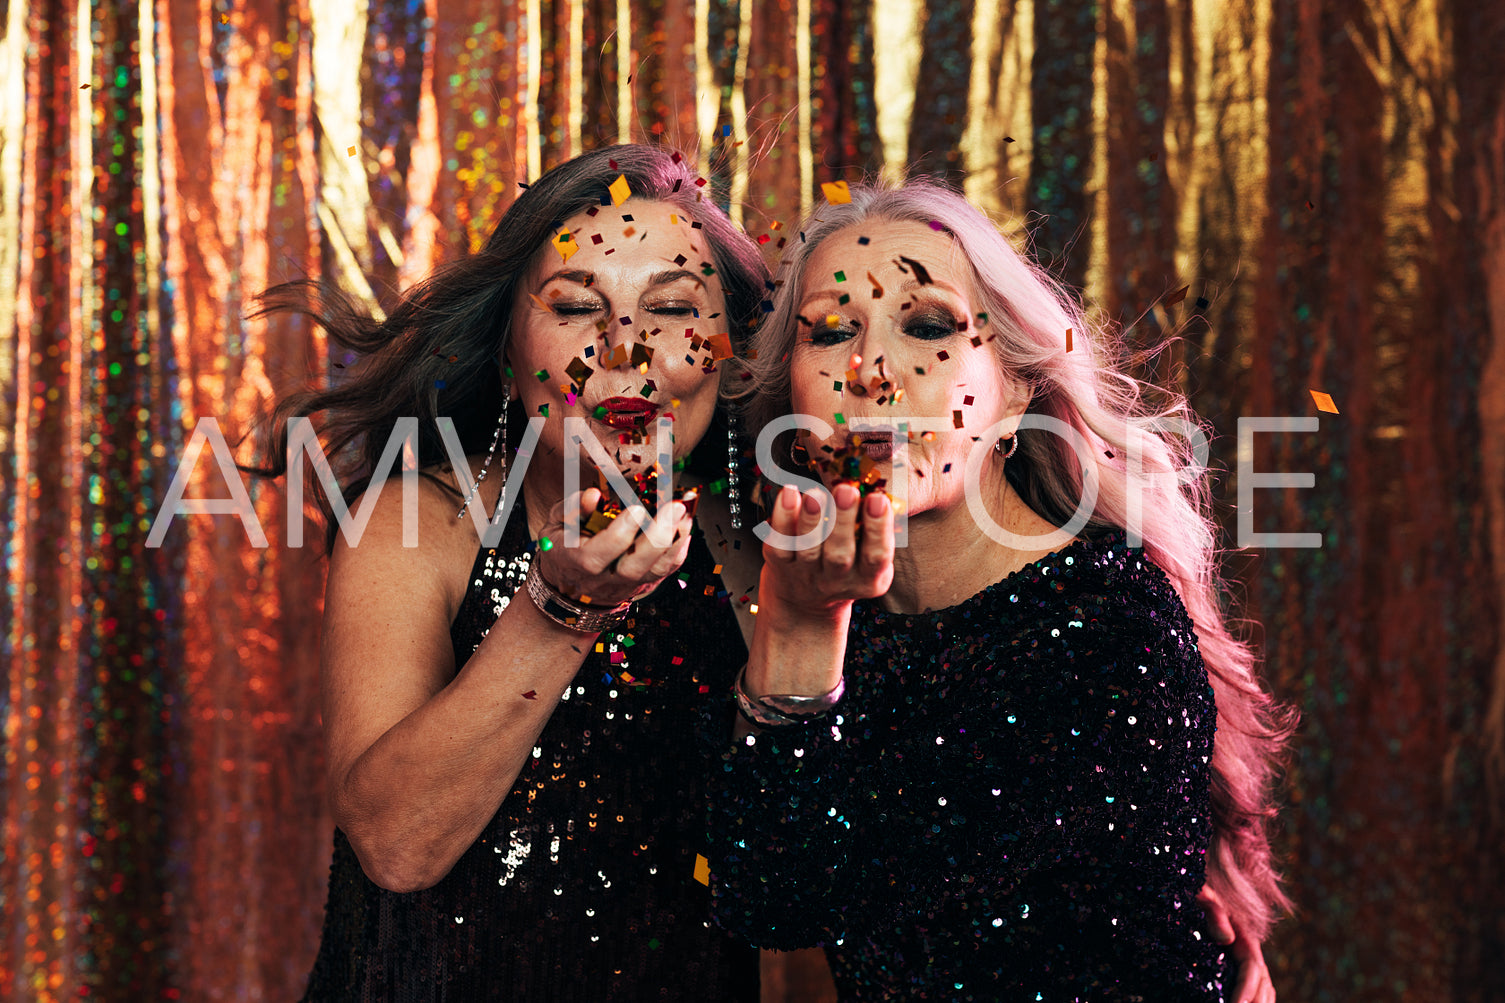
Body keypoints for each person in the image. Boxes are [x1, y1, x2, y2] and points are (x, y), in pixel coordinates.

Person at [704, 178, 1293, 1001]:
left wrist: (800, 632)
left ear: (1016, 390)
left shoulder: (1104, 627)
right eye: (832, 332)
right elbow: (772, 908)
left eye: (930, 325)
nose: (872, 371)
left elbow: (806, 904)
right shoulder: (835, 608)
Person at [250, 144, 769, 1001]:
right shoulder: (417, 518)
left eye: (672, 307)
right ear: (504, 350)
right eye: (575, 306)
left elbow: (801, 877)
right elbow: (394, 845)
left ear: (731, 354)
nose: (625, 347)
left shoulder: (765, 542)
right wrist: (561, 607)